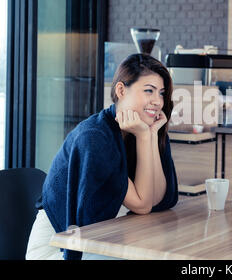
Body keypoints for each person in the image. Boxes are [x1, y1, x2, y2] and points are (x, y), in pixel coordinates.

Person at [26, 54, 178, 260]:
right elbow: (143, 206)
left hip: (100, 238)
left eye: (161, 93)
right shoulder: (95, 137)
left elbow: (157, 198)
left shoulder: (143, 129)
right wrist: (144, 136)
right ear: (121, 90)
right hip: (57, 248)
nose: (158, 101)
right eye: (149, 91)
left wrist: (151, 136)